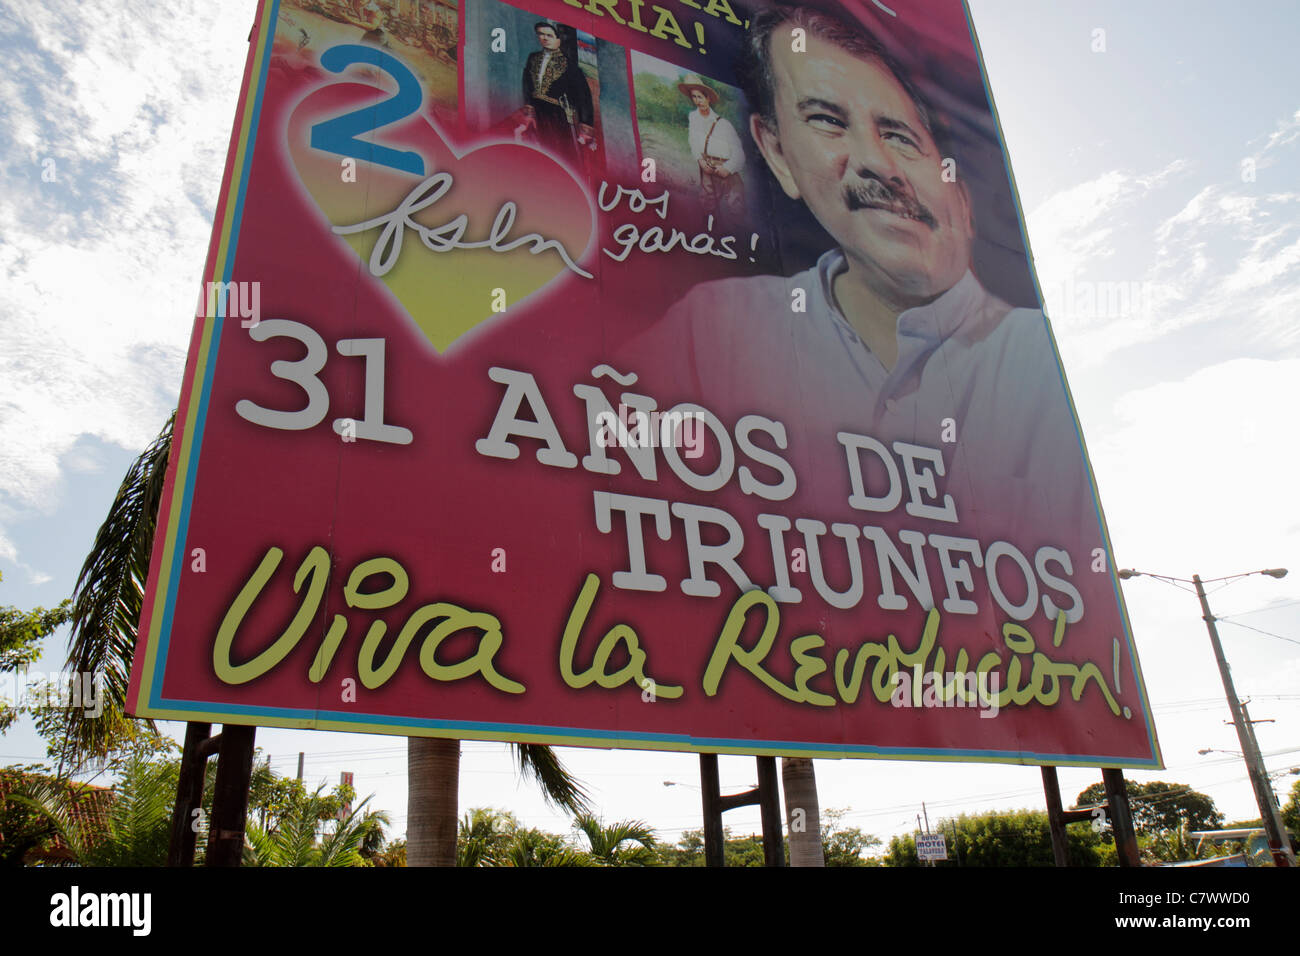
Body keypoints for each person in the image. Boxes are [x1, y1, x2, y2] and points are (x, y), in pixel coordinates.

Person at [639, 3, 1097, 552]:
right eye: (828, 121)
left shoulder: (1033, 367)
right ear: (777, 153)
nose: (877, 163)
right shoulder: (710, 330)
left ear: (961, 193)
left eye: (901, 135)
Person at [522, 21, 595, 168]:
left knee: (562, 152)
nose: (544, 38)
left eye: (549, 35)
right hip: (537, 111)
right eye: (541, 34)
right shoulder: (533, 58)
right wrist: (529, 110)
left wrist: (585, 124)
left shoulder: (569, 65)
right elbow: (527, 81)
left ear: (558, 40)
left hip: (558, 114)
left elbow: (583, 95)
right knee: (539, 149)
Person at [678, 74, 746, 228]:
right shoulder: (693, 118)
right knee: (707, 203)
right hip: (707, 167)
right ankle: (709, 235)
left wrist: (727, 169)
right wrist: (701, 161)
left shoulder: (724, 125)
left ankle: (740, 238)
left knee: (736, 204)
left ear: (708, 98)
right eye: (694, 97)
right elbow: (693, 141)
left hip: (726, 168)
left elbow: (739, 153)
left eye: (700, 97)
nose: (697, 101)